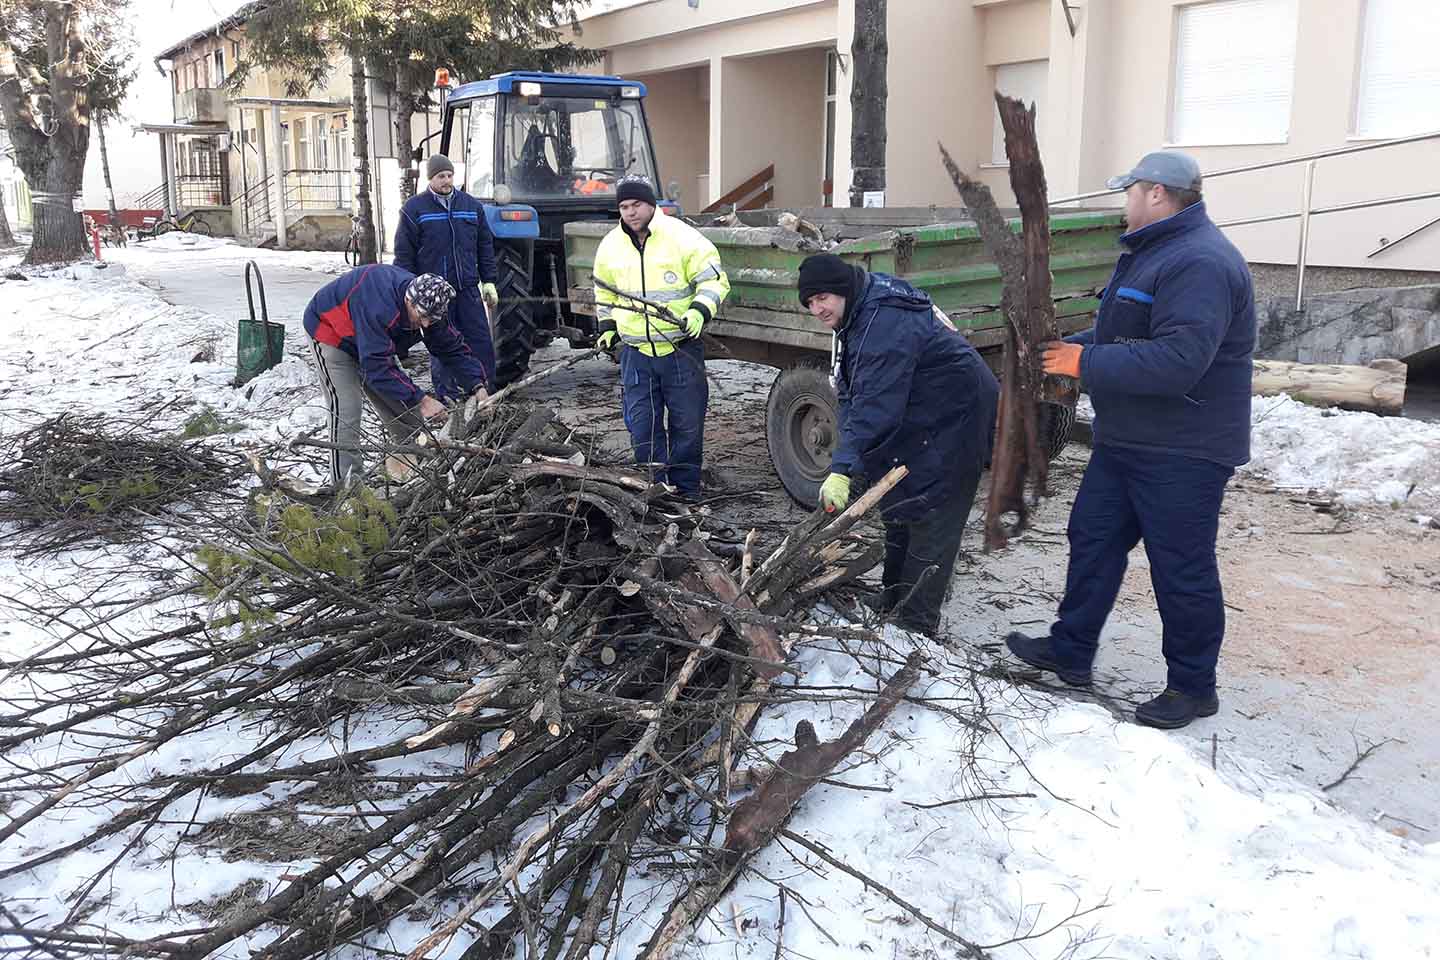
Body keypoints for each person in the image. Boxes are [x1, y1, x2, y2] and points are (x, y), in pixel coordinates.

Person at [1005, 150, 1256, 730]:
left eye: (1129, 193)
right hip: (1129, 441)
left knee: (1181, 568)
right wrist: (1066, 349)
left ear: (1158, 195)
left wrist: (1082, 361)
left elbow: (1177, 361)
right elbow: (1127, 331)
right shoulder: (1155, 253)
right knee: (1092, 538)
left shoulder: (1200, 262)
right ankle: (1071, 650)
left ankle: (1193, 687)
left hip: (1185, 449)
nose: (1124, 204)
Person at [800, 253, 999, 638]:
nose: (816, 309)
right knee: (900, 502)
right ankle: (893, 597)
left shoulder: (883, 322)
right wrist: (850, 460)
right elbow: (850, 389)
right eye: (809, 303)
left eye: (821, 297)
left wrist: (842, 468)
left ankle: (917, 624)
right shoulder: (858, 311)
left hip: (958, 416)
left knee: (931, 515)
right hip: (924, 412)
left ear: (841, 289)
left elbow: (876, 405)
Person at [592, 175, 730, 500]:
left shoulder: (683, 238)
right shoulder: (611, 245)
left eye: (636, 204)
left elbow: (714, 282)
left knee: (687, 425)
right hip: (636, 354)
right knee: (642, 427)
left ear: (651, 204)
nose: (630, 212)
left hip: (680, 350)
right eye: (624, 207)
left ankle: (685, 494)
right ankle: (653, 492)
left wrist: (698, 311)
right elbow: (603, 290)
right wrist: (607, 326)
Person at [304, 266, 490, 487]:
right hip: (331, 333)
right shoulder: (379, 306)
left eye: (431, 319)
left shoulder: (429, 305)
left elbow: (452, 348)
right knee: (347, 408)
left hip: (372, 343)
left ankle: (415, 473)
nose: (426, 324)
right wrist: (422, 400)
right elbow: (377, 367)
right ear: (408, 302)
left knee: (405, 410)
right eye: (421, 317)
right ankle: (347, 488)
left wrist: (478, 386)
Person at [395, 155, 500, 397]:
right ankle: (448, 398)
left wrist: (490, 281)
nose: (447, 180)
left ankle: (486, 392)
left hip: (467, 288)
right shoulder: (414, 210)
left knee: (480, 341)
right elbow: (404, 254)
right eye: (441, 176)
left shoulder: (471, 206)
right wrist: (408, 291)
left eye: (450, 175)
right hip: (433, 295)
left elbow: (484, 246)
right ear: (431, 178)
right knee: (442, 345)